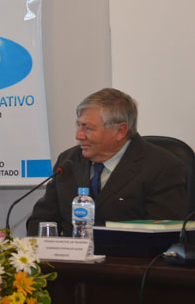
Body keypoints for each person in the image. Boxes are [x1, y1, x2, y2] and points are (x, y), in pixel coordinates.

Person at [27, 88, 188, 236]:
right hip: (70, 257)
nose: (79, 135)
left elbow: (162, 236)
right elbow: (41, 220)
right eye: (78, 125)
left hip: (128, 258)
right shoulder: (69, 161)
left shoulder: (163, 167)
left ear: (120, 131)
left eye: (88, 128)